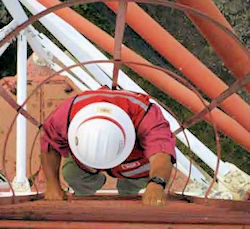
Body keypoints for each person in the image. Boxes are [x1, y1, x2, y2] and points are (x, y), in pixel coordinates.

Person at [40, 86, 176, 206]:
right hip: (85, 158)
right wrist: (52, 185)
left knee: (135, 185)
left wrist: (156, 183)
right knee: (72, 174)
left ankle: (129, 193)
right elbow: (50, 142)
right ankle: (86, 195)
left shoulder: (146, 115)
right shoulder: (66, 114)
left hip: (134, 162)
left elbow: (162, 152)